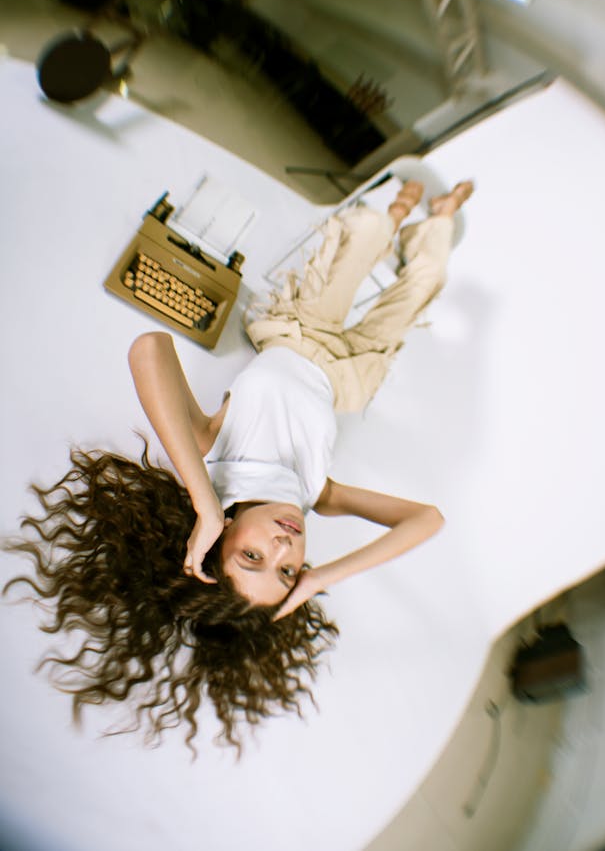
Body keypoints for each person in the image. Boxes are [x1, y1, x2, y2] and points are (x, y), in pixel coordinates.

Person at [4, 178, 474, 752]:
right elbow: (428, 519)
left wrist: (204, 502)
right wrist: (321, 580)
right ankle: (439, 217)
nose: (283, 547)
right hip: (350, 374)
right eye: (285, 571)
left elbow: (148, 348)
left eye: (252, 556)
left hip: (299, 329)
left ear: (220, 537)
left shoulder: (215, 454)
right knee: (426, 281)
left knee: (372, 231)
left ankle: (399, 211)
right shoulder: (315, 494)